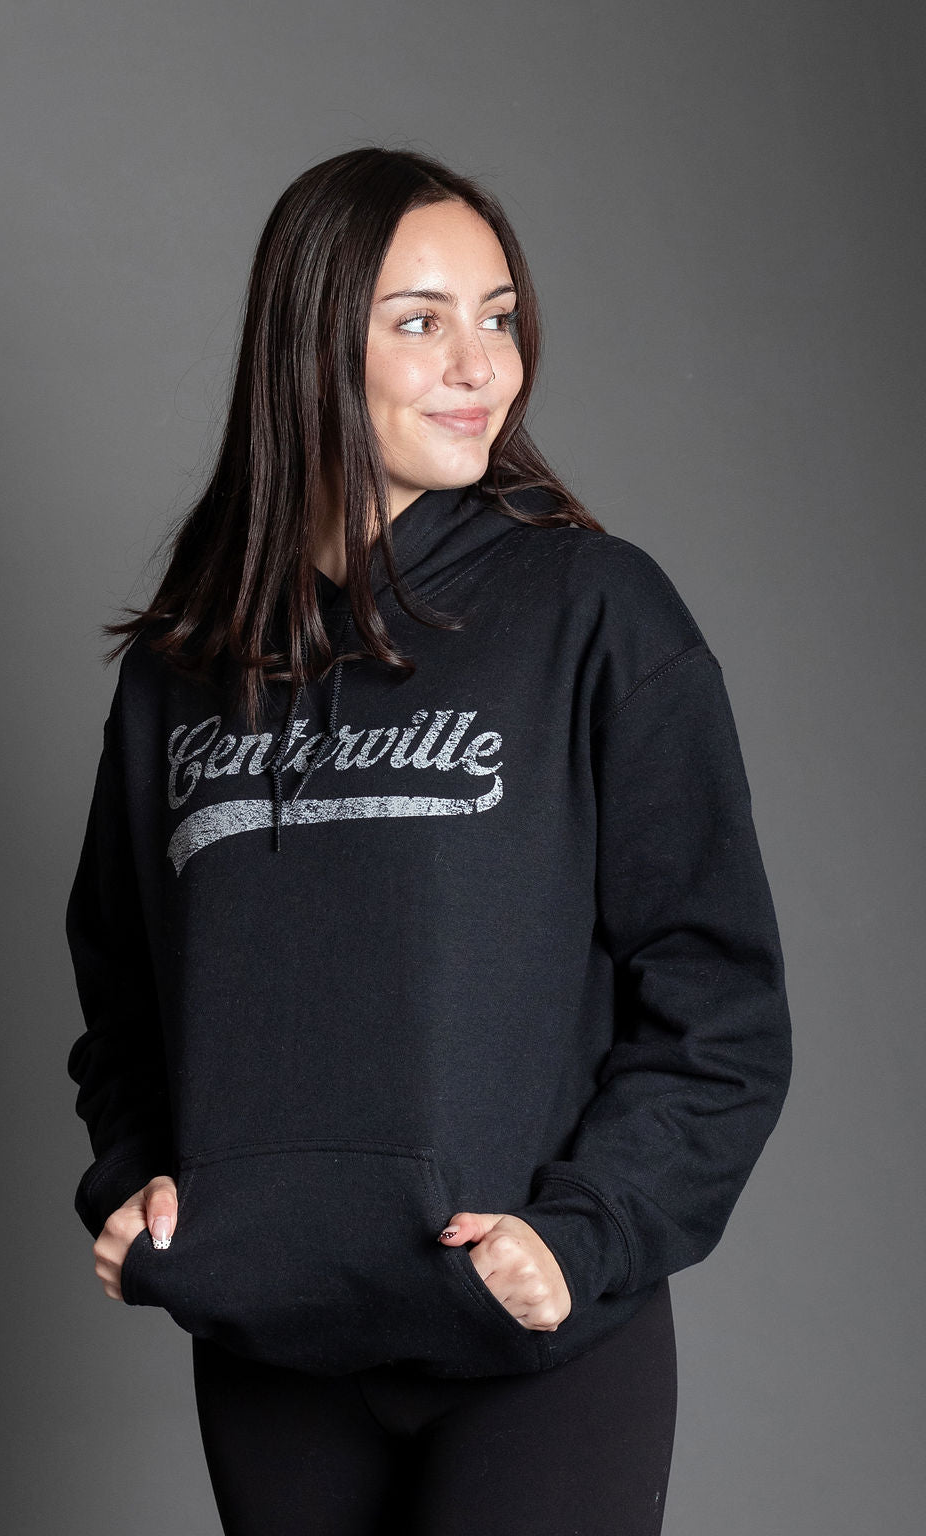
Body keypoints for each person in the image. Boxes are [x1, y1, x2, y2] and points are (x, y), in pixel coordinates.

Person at [65, 145, 793, 1536]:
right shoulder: (184, 666)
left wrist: (587, 1236)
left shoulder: (596, 611)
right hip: (275, 1349)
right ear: (308, 350)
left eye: (499, 317)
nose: (481, 366)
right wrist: (137, 1181)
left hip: (535, 1343)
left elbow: (720, 1005)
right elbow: (126, 995)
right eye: (420, 320)